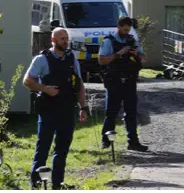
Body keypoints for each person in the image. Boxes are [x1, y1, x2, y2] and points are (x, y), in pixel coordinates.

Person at [23, 28, 88, 189]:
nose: (65, 41)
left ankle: (58, 183)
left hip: (67, 109)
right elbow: (27, 81)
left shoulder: (72, 60)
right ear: (53, 40)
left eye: (66, 38)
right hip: (48, 110)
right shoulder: (41, 59)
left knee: (62, 149)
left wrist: (83, 107)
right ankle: (36, 183)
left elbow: (79, 85)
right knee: (43, 148)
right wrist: (45, 89)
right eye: (61, 39)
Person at [98, 16, 148, 152]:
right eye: (124, 30)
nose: (126, 32)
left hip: (130, 81)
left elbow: (143, 57)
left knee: (131, 112)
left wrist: (136, 53)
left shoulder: (132, 40)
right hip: (114, 81)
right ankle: (106, 141)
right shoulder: (108, 41)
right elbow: (102, 60)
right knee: (112, 113)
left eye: (128, 30)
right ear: (118, 27)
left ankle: (133, 142)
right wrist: (118, 54)